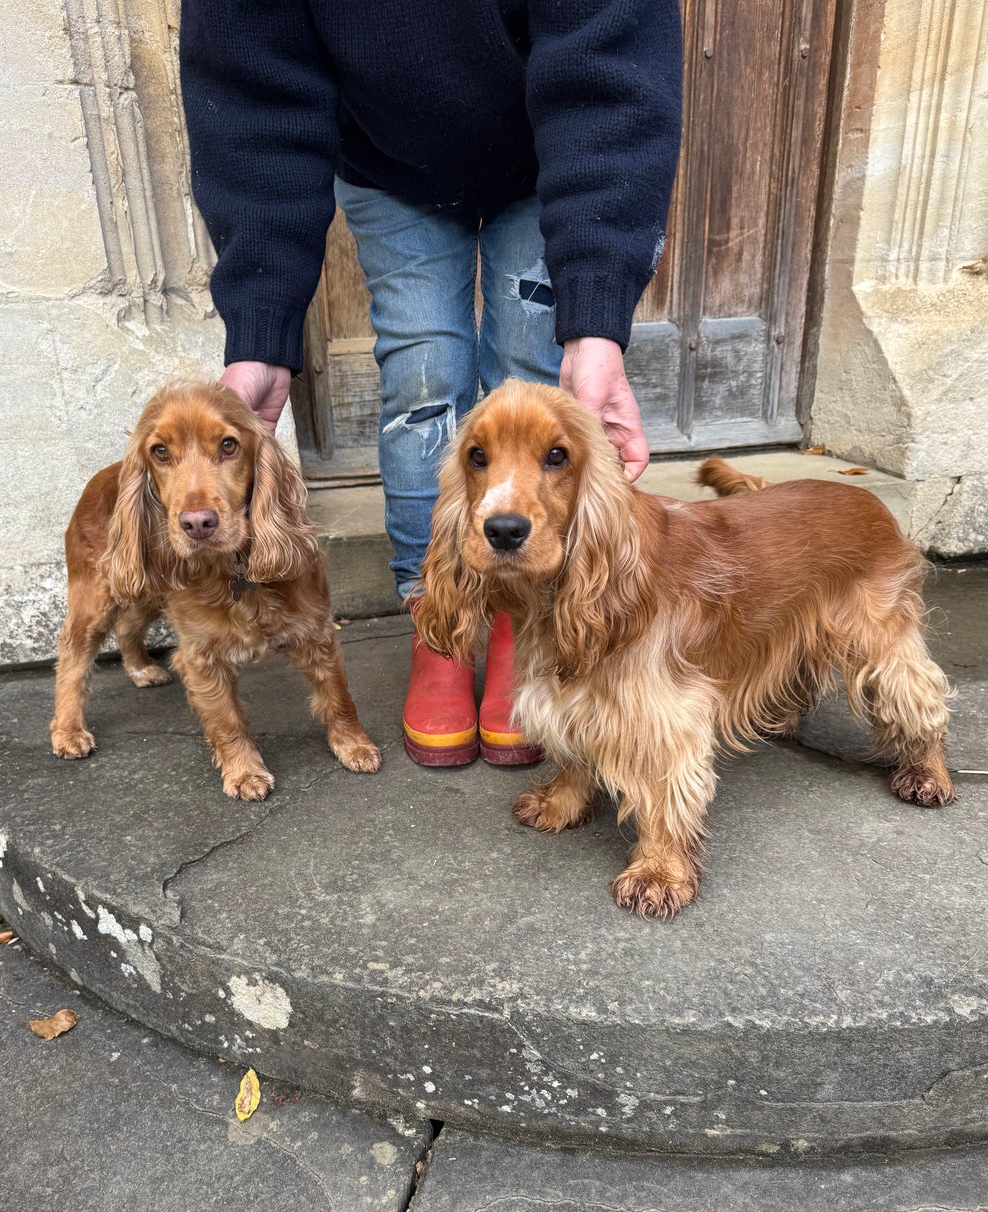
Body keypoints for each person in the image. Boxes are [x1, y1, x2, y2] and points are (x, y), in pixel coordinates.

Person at [179, 0, 682, 766]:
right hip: (388, 160)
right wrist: (261, 327)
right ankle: (438, 617)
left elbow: (610, 53)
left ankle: (525, 617)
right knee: (423, 386)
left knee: (536, 377)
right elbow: (250, 85)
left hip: (556, 150)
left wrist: (596, 322)